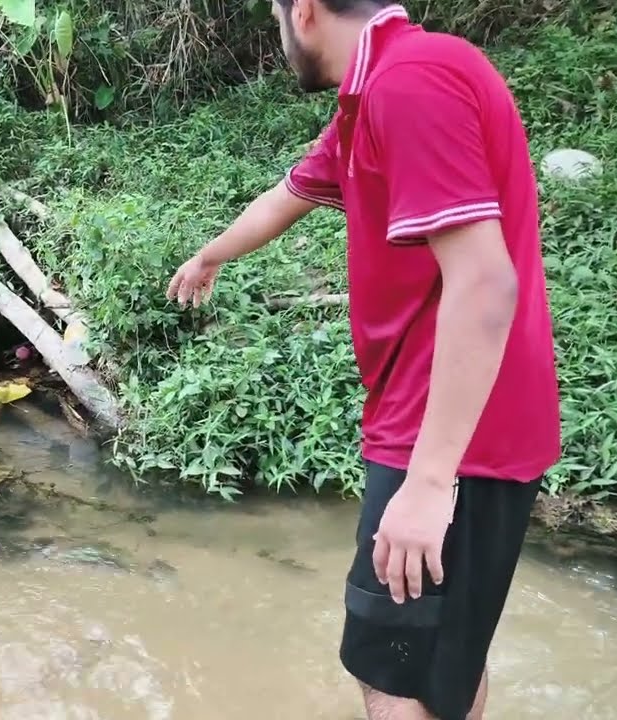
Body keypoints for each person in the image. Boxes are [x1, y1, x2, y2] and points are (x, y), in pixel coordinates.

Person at [166, 2, 561, 719]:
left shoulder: (410, 83)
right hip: (452, 425)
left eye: (277, 17)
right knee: (443, 664)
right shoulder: (378, 92)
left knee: (392, 675)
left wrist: (430, 482)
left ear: (305, 11)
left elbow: (484, 283)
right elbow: (285, 196)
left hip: (448, 434)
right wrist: (209, 256)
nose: (280, 36)